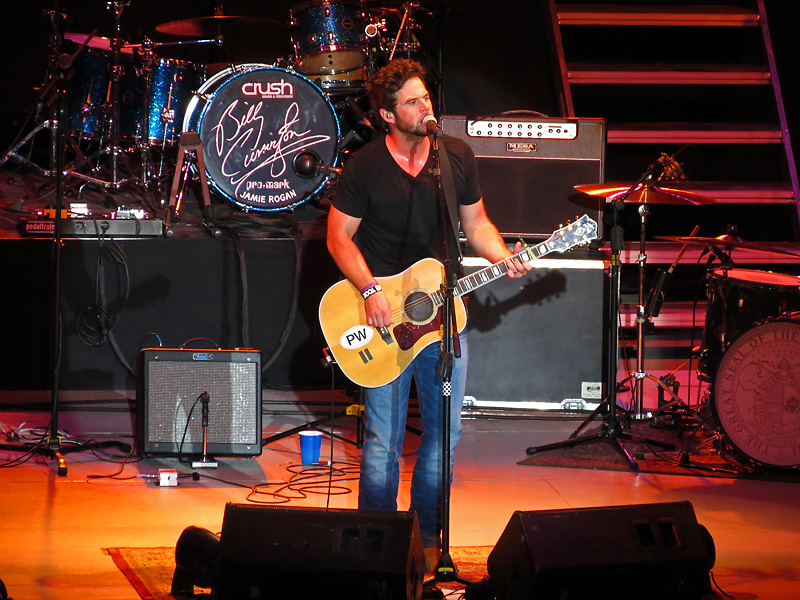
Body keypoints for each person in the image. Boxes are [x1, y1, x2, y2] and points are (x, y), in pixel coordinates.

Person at [326, 59, 531, 572]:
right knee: (383, 441)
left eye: (426, 98)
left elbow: (476, 224)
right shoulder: (365, 166)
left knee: (444, 438)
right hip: (382, 318)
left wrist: (502, 257)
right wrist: (370, 289)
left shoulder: (455, 156)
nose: (425, 108)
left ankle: (429, 543)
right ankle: (374, 547)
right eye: (413, 102)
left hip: (443, 317)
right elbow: (338, 237)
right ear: (387, 115)